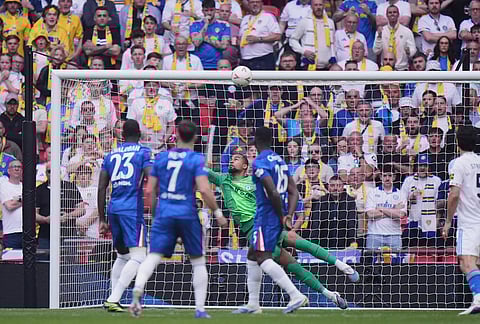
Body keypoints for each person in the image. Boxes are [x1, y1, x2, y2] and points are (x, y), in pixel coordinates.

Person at [208, 152, 355, 313]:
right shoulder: (224, 179)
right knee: (293, 266)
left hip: (265, 224)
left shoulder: (255, 181)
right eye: (231, 158)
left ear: (245, 166)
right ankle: (331, 295)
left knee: (297, 242)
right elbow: (202, 171)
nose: (231, 161)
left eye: (236, 159)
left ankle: (341, 266)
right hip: (251, 230)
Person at [130, 120, 227, 318]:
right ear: (195, 138)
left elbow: (149, 190)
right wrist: (217, 212)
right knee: (198, 261)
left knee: (154, 255)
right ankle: (200, 309)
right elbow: (204, 189)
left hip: (165, 211)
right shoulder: (196, 159)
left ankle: (137, 290)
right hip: (187, 213)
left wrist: (157, 214)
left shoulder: (162, 158)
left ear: (176, 135)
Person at [248, 127, 308, 313]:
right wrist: (289, 213)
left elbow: (272, 191)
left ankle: (295, 294)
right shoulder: (280, 161)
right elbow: (294, 191)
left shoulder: (259, 162)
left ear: (255, 140)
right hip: (275, 214)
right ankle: (253, 304)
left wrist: (281, 214)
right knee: (252, 255)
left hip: (267, 216)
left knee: (263, 257)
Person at [97, 119, 153, 312]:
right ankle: (113, 298)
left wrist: (102, 219)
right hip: (131, 210)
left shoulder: (111, 154)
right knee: (139, 256)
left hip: (114, 208)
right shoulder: (143, 152)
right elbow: (151, 176)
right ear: (139, 134)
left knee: (122, 255)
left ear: (122, 135)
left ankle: (113, 299)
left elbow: (102, 187)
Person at [442, 126, 480, 315]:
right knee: (476, 263)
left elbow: (454, 195)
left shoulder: (458, 163)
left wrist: (448, 221)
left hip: (470, 222)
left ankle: (479, 298)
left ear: (457, 143)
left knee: (466, 262)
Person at [365, 164, 407, 250]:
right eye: (384, 176)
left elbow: (401, 215)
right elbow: (370, 215)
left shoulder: (401, 194)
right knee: (371, 263)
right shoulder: (372, 192)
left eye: (390, 176)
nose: (387, 178)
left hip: (394, 235)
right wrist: (394, 210)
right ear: (380, 177)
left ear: (394, 177)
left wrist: (381, 209)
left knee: (396, 263)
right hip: (374, 235)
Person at [0, 159, 22, 249]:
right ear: (8, 171)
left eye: (19, 167)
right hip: (11, 232)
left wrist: (17, 199)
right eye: (14, 166)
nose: (17, 169)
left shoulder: (25, 187)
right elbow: (9, 206)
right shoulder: (4, 186)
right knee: (12, 260)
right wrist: (25, 198)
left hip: (27, 231)